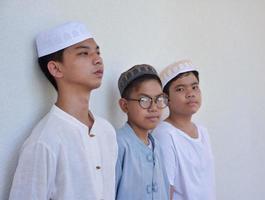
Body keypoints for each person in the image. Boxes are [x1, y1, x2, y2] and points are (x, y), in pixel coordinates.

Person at [9, 21, 117, 200]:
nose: (98, 59)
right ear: (56, 68)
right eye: (83, 53)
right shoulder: (44, 141)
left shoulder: (106, 130)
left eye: (98, 52)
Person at [152, 60, 215, 200]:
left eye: (195, 87)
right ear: (166, 99)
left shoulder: (202, 131)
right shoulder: (165, 134)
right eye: (180, 89)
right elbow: (166, 189)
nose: (190, 94)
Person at [115, 64, 170, 200]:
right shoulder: (118, 144)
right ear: (124, 105)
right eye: (144, 100)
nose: (154, 108)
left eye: (158, 99)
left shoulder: (157, 145)